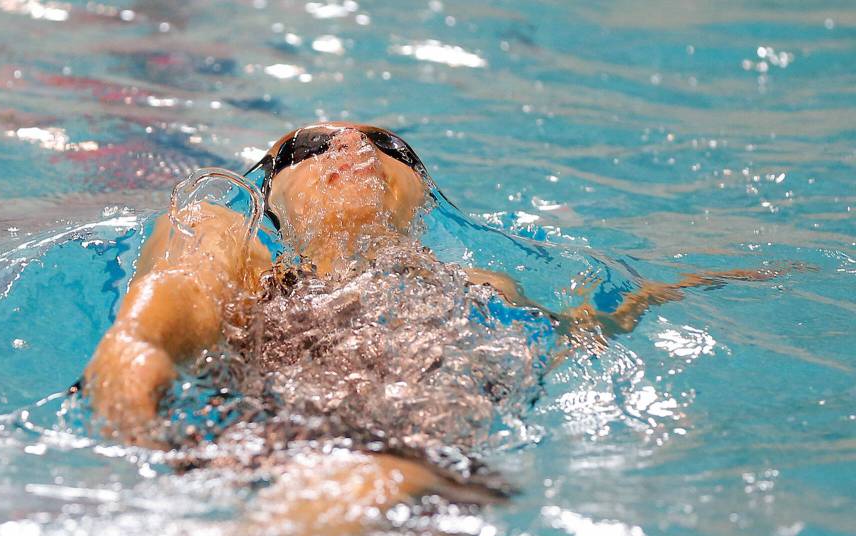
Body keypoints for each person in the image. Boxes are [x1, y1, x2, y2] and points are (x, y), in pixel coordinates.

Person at [81, 122, 777, 501]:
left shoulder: (484, 285)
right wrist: (141, 405)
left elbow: (569, 336)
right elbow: (161, 318)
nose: (352, 147)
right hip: (246, 452)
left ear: (424, 191)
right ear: (270, 192)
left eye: (390, 146)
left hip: (434, 476)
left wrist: (669, 292)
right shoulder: (230, 240)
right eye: (309, 146)